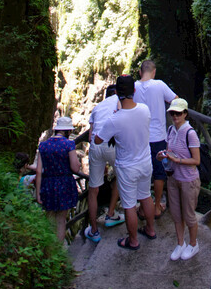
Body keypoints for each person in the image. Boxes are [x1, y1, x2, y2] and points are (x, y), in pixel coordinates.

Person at [96, 74, 156, 250]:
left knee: (129, 204)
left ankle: (133, 240)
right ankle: (151, 230)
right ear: (134, 91)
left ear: (116, 93)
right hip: (146, 162)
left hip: (127, 167)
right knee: (145, 196)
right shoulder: (145, 110)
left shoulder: (115, 119)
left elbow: (98, 140)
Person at [134, 59, 177, 218]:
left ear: (140, 72)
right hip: (158, 136)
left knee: (140, 171)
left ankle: (143, 206)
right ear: (154, 72)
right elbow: (176, 100)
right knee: (159, 172)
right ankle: (157, 206)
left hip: (139, 137)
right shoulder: (159, 85)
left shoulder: (134, 86)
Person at [159, 98, 201, 260]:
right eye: (172, 113)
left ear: (185, 114)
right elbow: (170, 150)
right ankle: (180, 243)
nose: (175, 116)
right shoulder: (171, 130)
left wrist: (178, 161)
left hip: (188, 180)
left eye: (178, 113)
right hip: (173, 178)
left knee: (189, 214)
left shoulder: (191, 134)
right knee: (176, 213)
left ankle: (193, 244)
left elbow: (196, 160)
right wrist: (162, 156)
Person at [84, 84, 123, 243]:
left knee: (93, 189)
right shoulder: (120, 100)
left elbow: (90, 135)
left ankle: (93, 230)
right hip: (113, 144)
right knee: (121, 177)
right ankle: (111, 214)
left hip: (96, 144)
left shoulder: (97, 108)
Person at [35, 115, 81, 241]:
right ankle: (59, 250)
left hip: (48, 184)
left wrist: (38, 192)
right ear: (68, 131)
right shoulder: (68, 144)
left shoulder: (43, 145)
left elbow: (39, 171)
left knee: (49, 217)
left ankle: (48, 249)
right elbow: (75, 168)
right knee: (61, 220)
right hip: (64, 184)